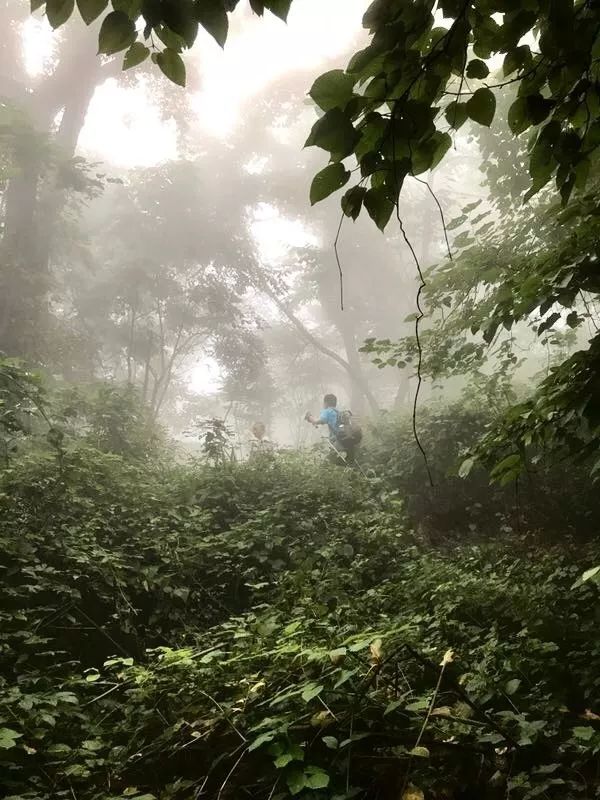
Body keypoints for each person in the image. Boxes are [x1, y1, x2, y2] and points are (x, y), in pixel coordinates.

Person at [305, 393, 355, 464]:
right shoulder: (339, 412)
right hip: (348, 442)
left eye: (323, 403)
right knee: (350, 464)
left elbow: (318, 421)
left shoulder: (327, 411)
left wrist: (309, 417)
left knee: (330, 465)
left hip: (337, 443)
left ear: (326, 403)